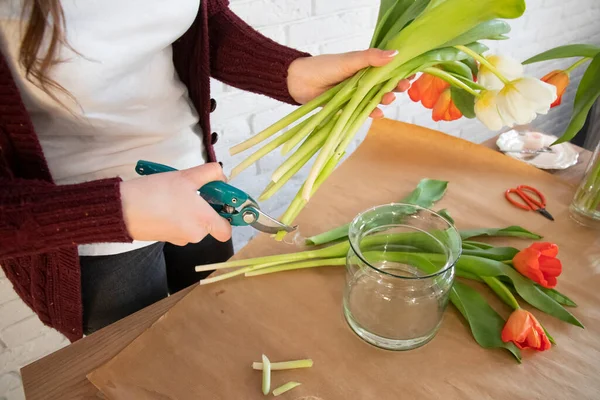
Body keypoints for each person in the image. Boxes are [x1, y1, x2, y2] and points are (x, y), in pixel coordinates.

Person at [0, 0, 410, 340]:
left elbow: (200, 19)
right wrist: (113, 210)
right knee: (143, 367)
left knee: (216, 332)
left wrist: (290, 73)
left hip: (199, 184)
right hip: (89, 232)